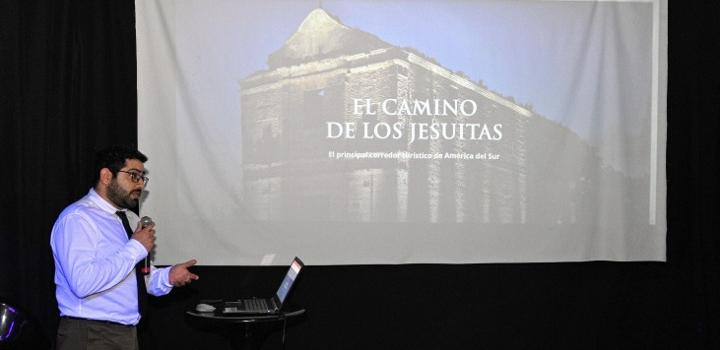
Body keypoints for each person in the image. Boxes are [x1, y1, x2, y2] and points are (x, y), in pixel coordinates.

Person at [50, 145, 199, 350]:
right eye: (133, 175)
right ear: (106, 176)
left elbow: (137, 278)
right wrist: (136, 247)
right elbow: (83, 283)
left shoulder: (127, 218)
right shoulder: (78, 218)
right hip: (90, 334)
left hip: (125, 333)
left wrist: (168, 277)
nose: (140, 184)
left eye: (142, 177)